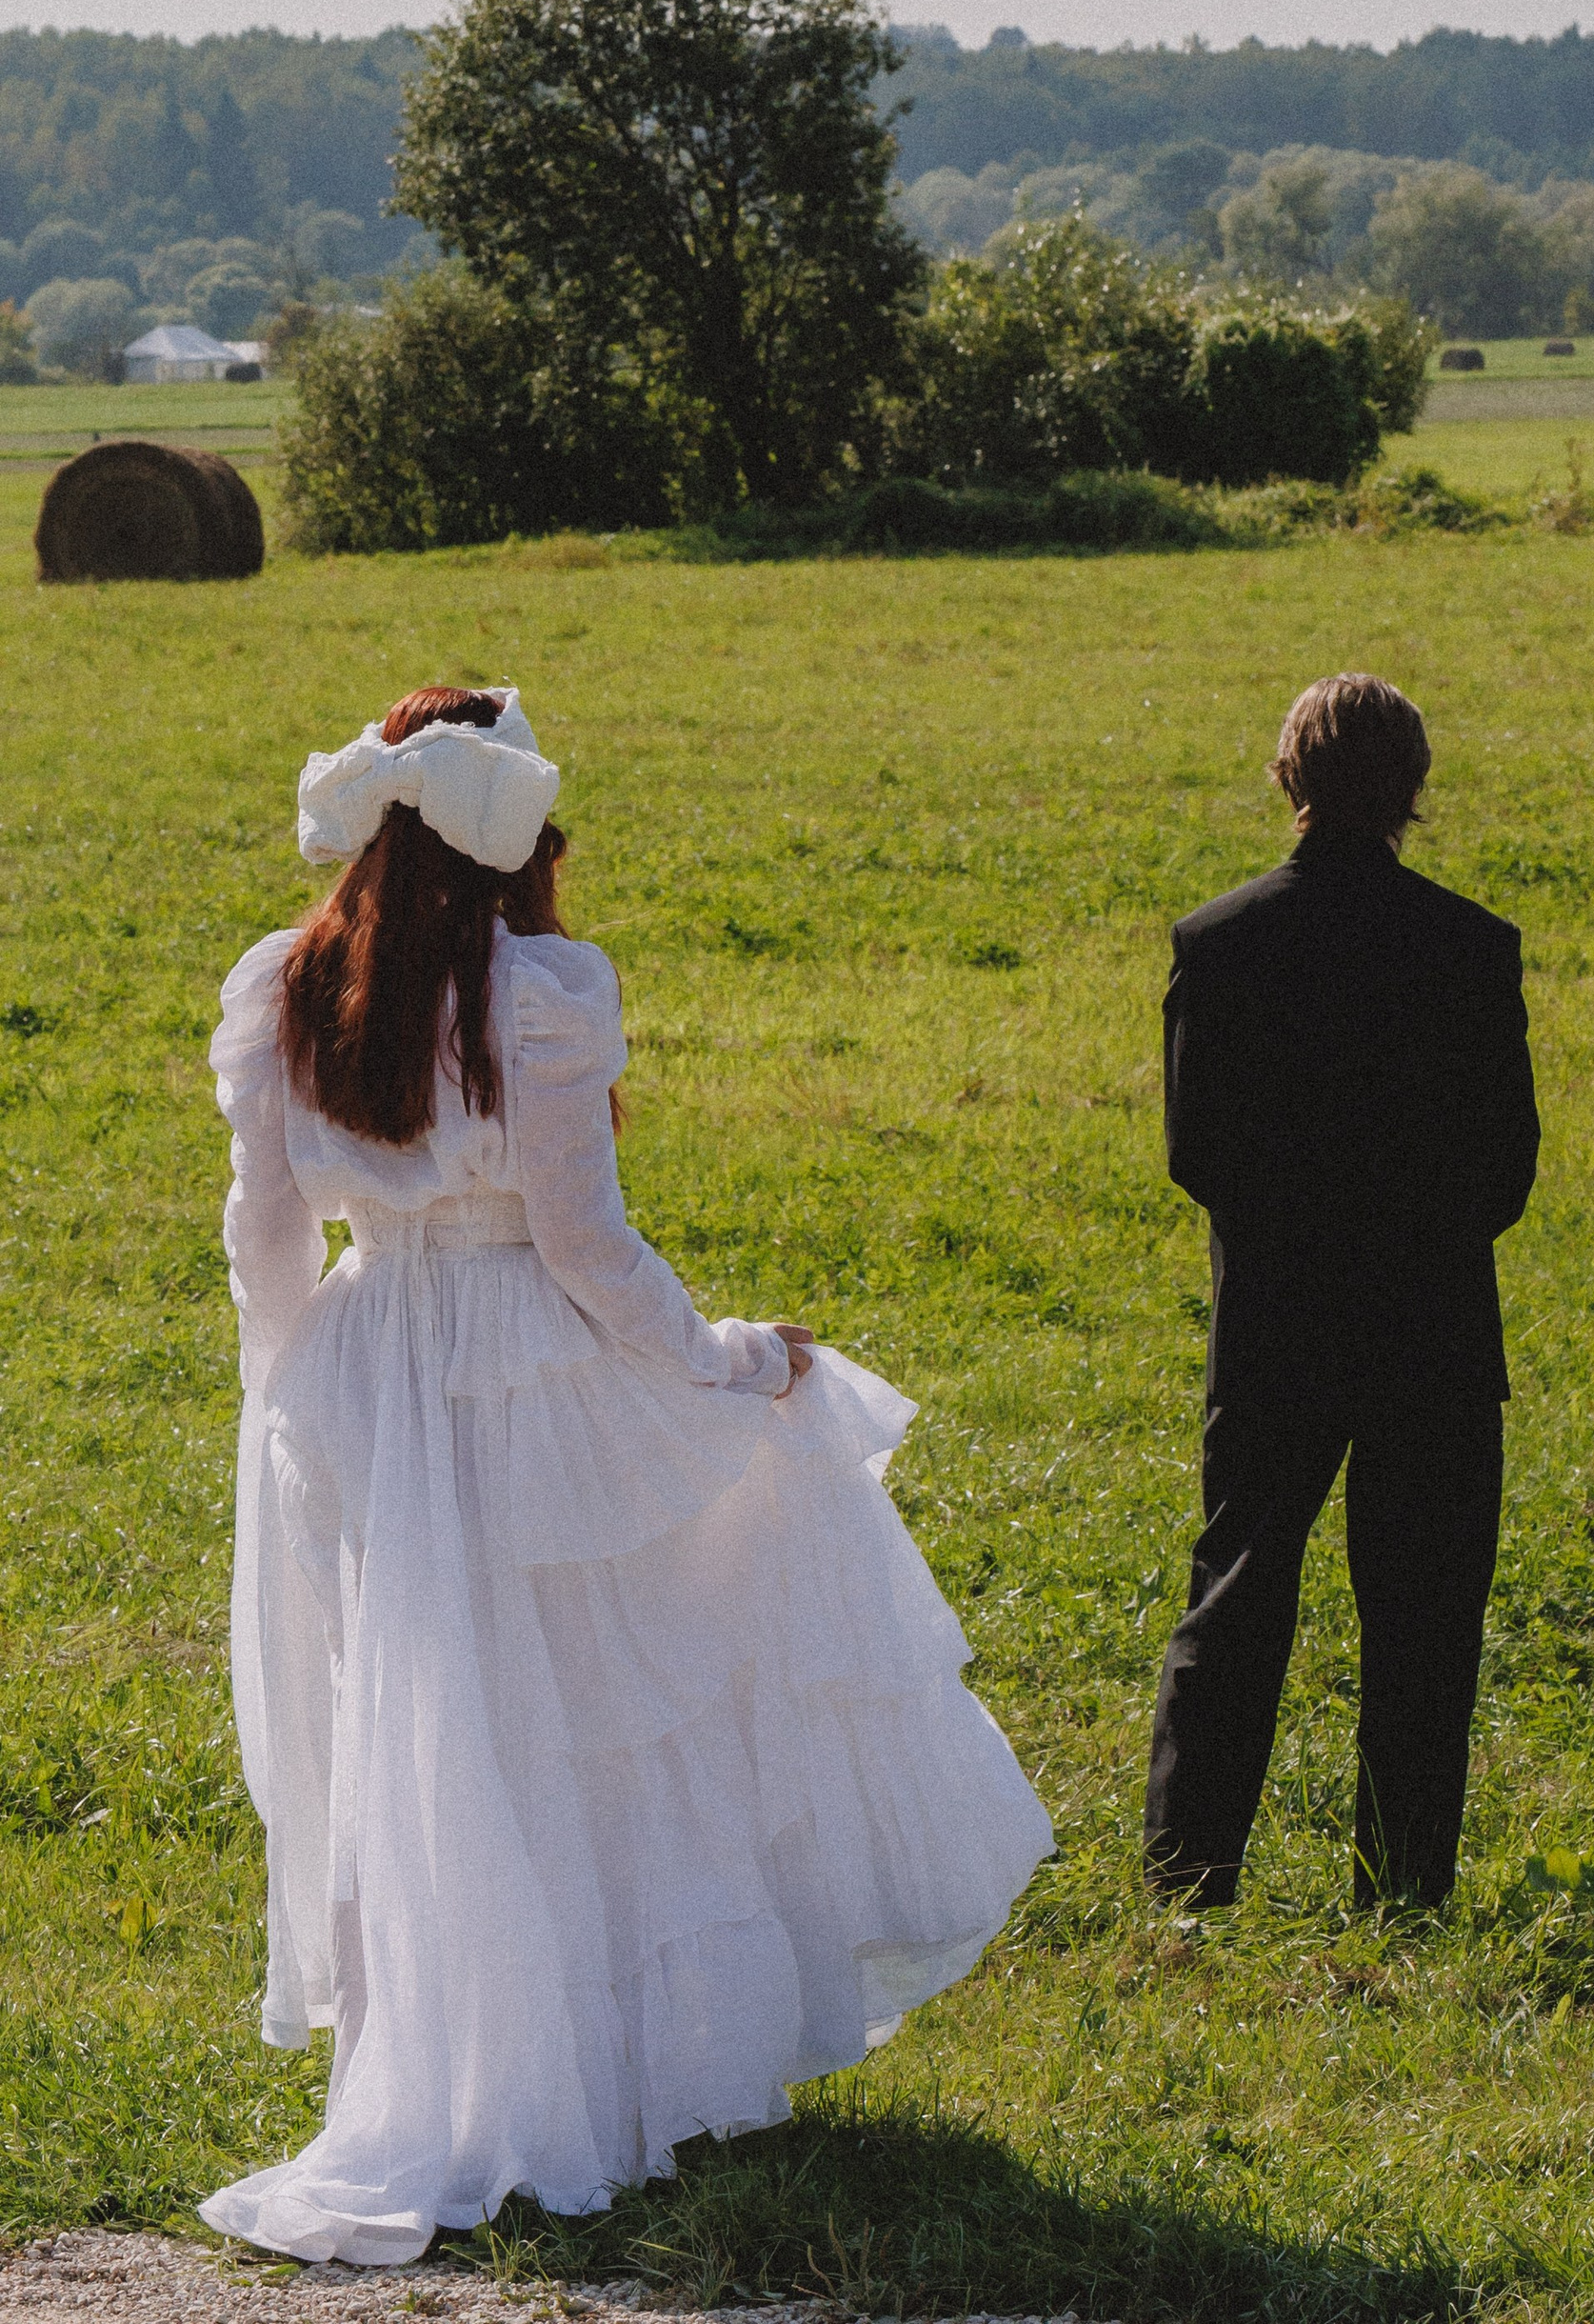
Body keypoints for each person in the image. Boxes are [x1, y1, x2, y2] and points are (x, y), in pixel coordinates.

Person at [201, 685, 1050, 2267]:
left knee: (426, 1717)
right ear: (514, 833)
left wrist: (293, 1379)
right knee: (586, 1698)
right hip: (520, 1363)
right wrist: (727, 1358)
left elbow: (266, 1239)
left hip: (364, 1361)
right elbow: (582, 1244)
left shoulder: (285, 988)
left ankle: (461, 2056)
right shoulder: (537, 992)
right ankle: (595, 2074)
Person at [1144, 672, 1539, 1912]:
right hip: (1434, 1328)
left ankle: (1188, 1880)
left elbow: (1194, 1153)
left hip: (1275, 1322)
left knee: (1238, 1590)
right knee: (1423, 1617)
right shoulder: (1474, 950)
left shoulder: (1218, 944)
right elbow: (1503, 1169)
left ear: (1286, 779)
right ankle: (1401, 1892)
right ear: (1414, 791)